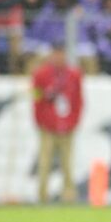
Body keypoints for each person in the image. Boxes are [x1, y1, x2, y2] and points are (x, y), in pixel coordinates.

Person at [32, 42, 83, 203]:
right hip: (48, 126)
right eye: (56, 53)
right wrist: (40, 121)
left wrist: (73, 121)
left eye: (61, 53)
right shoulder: (40, 75)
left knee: (67, 163)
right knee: (44, 162)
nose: (59, 57)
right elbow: (36, 99)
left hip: (67, 126)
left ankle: (69, 196)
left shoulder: (74, 75)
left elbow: (78, 101)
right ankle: (42, 195)